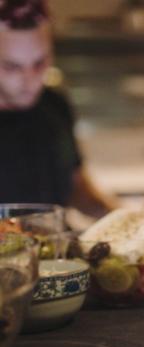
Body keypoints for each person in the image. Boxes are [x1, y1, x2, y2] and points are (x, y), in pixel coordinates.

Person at [0, 0, 113, 216]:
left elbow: (77, 188)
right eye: (12, 67)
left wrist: (129, 222)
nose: (30, 80)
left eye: (40, 63)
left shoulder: (54, 105)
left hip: (52, 244)